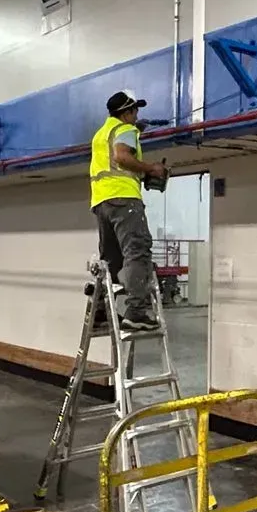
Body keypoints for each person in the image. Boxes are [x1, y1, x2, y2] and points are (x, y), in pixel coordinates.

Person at [89, 90, 168, 332]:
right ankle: (137, 311)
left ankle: (100, 310)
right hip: (124, 198)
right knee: (137, 250)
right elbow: (122, 157)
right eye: (135, 111)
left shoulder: (102, 133)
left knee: (110, 259)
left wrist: (137, 130)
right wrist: (150, 169)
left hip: (102, 201)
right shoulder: (126, 130)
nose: (137, 116)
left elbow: (113, 154)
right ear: (126, 113)